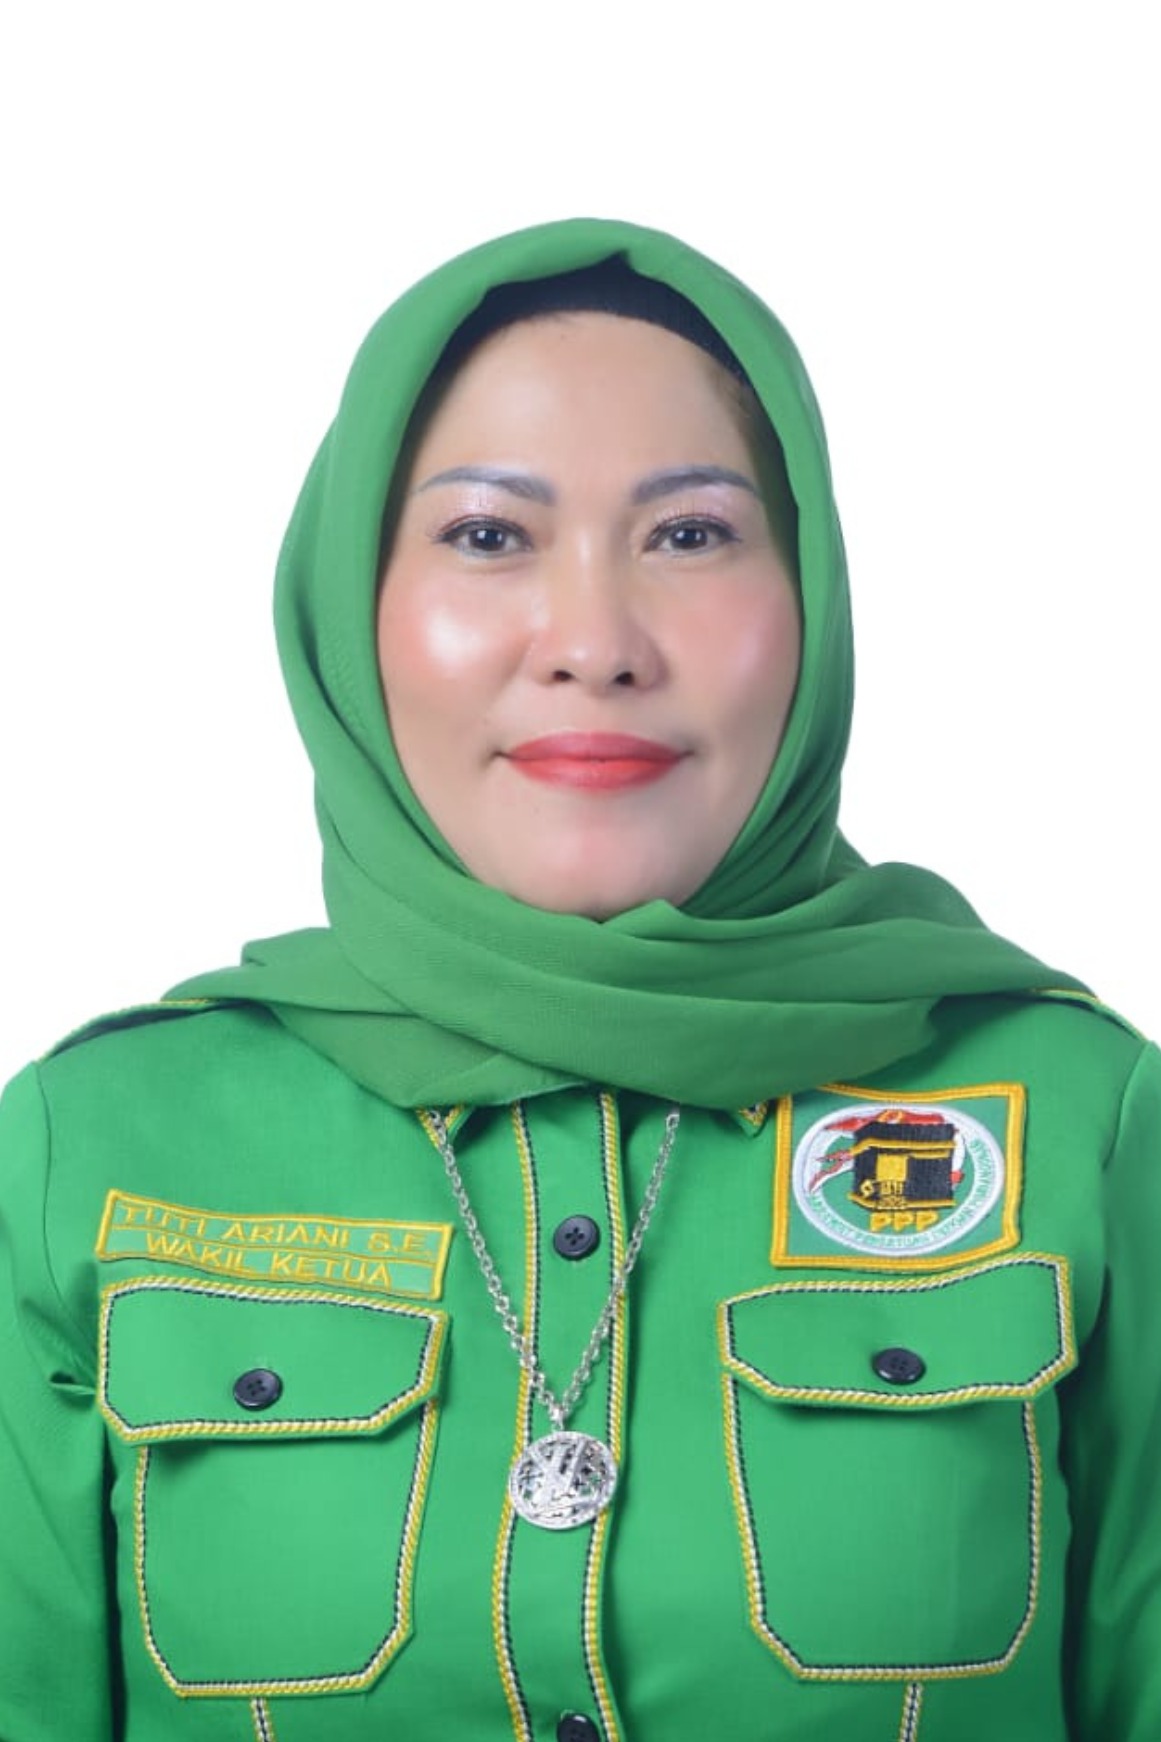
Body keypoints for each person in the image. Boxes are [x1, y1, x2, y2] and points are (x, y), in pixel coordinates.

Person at [0, 217, 1157, 1742]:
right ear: (348, 607)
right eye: (488, 536)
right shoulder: (91, 1143)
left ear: (810, 597)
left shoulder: (1079, 1118)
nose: (595, 643)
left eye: (689, 535)